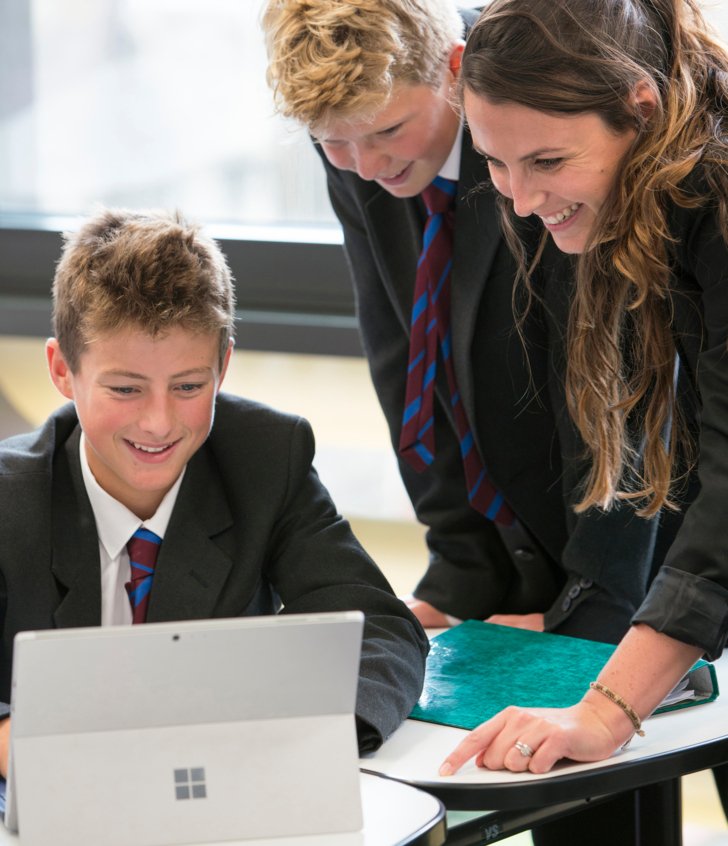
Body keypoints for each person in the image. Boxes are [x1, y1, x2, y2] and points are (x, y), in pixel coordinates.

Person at [261, 0, 668, 644]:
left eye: (388, 132)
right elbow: (406, 354)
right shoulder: (360, 139)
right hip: (521, 542)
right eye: (333, 142)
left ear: (456, 71)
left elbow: (615, 384)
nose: (366, 167)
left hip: (638, 556)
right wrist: (461, 571)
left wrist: (593, 606)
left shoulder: (531, 119)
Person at [0, 207, 429, 778]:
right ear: (62, 370)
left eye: (188, 386)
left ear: (223, 366)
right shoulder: (11, 498)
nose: (158, 422)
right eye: (125, 388)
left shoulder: (265, 458)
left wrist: (305, 737)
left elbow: (381, 629)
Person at [440, 0, 728, 786]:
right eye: (495, 163)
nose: (522, 201)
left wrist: (605, 712)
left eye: (546, 163)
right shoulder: (655, 193)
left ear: (641, 107)